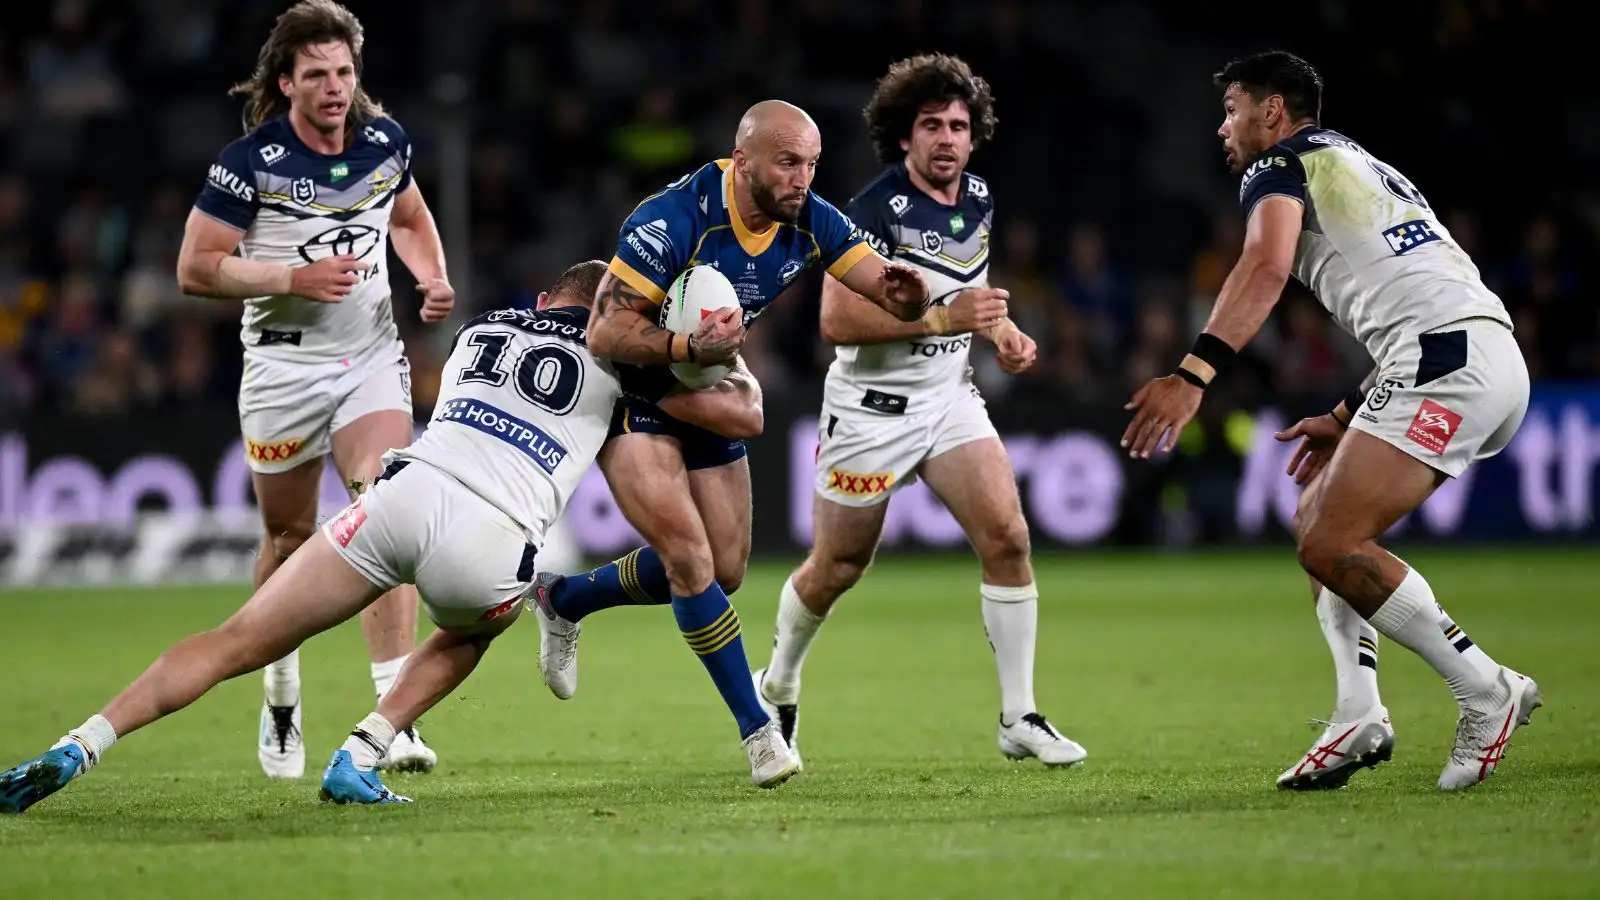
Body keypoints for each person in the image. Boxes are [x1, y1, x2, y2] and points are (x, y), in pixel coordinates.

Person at [0, 260, 768, 814]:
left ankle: (80, 743)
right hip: (490, 535)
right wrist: (701, 356)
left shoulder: (484, 328)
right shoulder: (622, 359)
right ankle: (363, 751)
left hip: (403, 494)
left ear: (542, 300)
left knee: (235, 639)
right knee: (474, 629)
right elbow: (738, 415)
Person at [1121, 50, 1541, 791]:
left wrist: (1194, 375)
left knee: (1331, 539)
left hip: (1443, 362)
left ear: (1273, 111)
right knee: (1315, 519)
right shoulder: (1352, 158)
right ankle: (1358, 710)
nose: (1224, 127)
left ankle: (1483, 686)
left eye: (1232, 109)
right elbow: (1411, 290)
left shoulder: (1277, 165)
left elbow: (1265, 266)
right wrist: (1346, 414)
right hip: (1481, 352)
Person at [523, 100, 932, 788]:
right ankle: (758, 732)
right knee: (688, 558)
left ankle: (563, 599)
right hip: (634, 387)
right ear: (743, 162)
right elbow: (604, 333)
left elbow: (883, 289)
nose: (802, 178)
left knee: (725, 568)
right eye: (787, 162)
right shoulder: (675, 217)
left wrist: (910, 299)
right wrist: (685, 344)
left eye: (811, 164)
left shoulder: (810, 217)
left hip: (704, 377)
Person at [747, 54, 1084, 770]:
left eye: (959, 125)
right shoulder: (873, 209)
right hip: (871, 411)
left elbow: (971, 295)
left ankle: (1018, 714)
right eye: (931, 125)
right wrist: (942, 321)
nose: (946, 138)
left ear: (974, 135)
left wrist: (1003, 333)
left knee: (1009, 539)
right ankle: (776, 683)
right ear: (905, 137)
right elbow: (836, 321)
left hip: (948, 399)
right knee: (837, 566)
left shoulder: (981, 198)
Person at [176, 0, 450, 779]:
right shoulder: (248, 164)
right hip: (281, 369)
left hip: (369, 356)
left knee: (386, 506)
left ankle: (391, 718)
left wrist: (430, 277)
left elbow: (410, 218)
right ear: (286, 82)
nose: (335, 87)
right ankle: (281, 686)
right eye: (318, 75)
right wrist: (290, 277)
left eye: (345, 72)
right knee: (291, 539)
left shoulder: (384, 143)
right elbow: (195, 268)